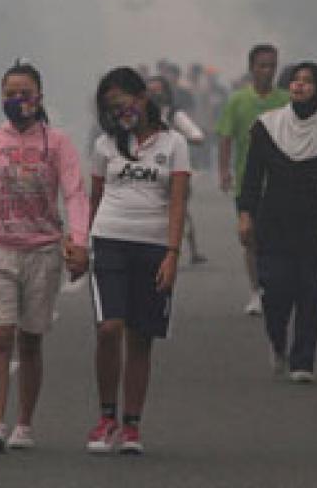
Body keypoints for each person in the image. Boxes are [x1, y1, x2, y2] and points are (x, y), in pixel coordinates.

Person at [0, 62, 89, 453]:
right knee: (1, 337)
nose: (18, 101)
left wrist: (79, 239)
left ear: (39, 97)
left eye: (26, 93)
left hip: (43, 251)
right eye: (10, 94)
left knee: (31, 341)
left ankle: (24, 424)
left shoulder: (58, 144)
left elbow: (74, 192)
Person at [86, 67, 191, 454]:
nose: (120, 111)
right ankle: (106, 417)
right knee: (109, 328)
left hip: (153, 245)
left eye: (124, 102)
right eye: (112, 107)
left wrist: (173, 253)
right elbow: (93, 197)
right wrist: (82, 243)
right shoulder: (104, 145)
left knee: (140, 338)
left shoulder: (174, 143)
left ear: (142, 98)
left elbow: (178, 200)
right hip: (110, 240)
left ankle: (131, 425)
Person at [238, 62, 317, 382]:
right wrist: (246, 214)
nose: (300, 86)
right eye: (295, 81)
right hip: (273, 223)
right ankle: (277, 342)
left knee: (310, 292)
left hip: (316, 226)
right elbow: (253, 176)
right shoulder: (267, 127)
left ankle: (304, 360)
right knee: (274, 290)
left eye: (308, 81)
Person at [217, 44, 288, 316]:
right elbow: (226, 136)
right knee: (251, 238)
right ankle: (256, 292)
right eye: (262, 65)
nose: (267, 71)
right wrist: (224, 170)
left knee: (278, 239)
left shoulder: (285, 100)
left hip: (282, 181)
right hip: (249, 180)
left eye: (272, 65)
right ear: (251, 68)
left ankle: (276, 287)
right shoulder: (237, 100)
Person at [147, 75, 207, 264]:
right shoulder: (139, 114)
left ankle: (190, 250)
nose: (155, 94)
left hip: (174, 171)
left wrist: (177, 139)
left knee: (179, 209)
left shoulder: (174, 115)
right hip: (147, 171)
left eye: (159, 90)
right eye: (151, 91)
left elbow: (197, 136)